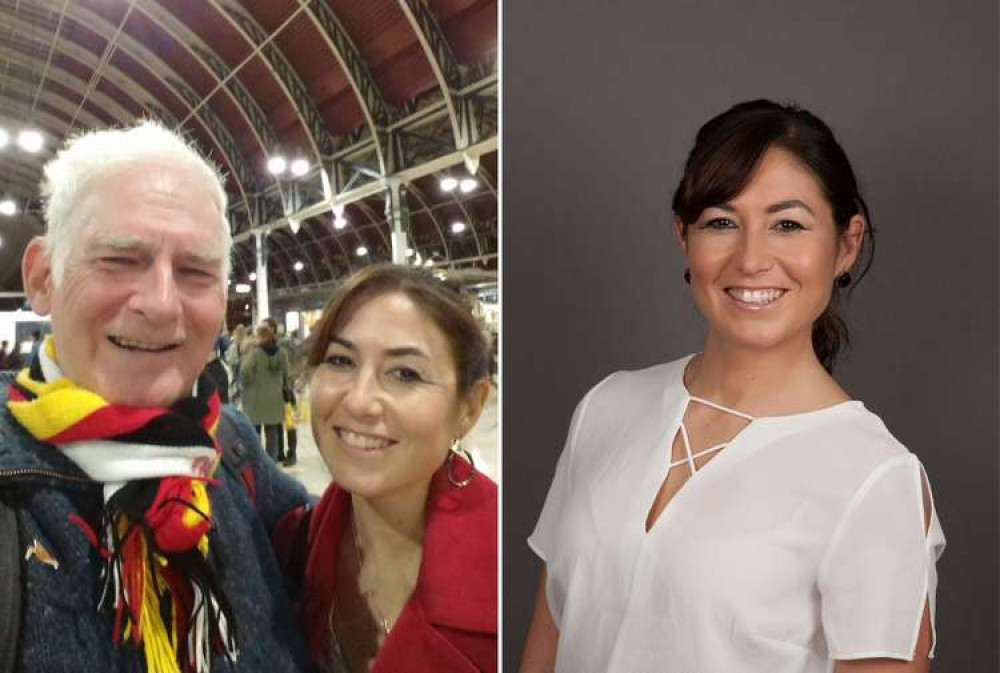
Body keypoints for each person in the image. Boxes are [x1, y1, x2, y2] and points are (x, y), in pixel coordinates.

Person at [520, 100, 946, 673]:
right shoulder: (608, 406)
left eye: (788, 225)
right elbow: (551, 634)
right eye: (722, 222)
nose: (751, 259)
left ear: (846, 245)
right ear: (683, 237)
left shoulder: (875, 479)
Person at [4, 120, 312, 671]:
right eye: (120, 260)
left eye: (195, 271)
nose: (163, 304)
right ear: (43, 277)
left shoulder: (231, 444)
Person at [273, 265, 497, 672]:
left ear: (470, 408)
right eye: (341, 361)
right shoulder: (291, 548)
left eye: (405, 373)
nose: (360, 401)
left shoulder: (513, 576)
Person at [240, 322, 289, 462]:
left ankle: (257, 462)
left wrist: (245, 383)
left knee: (255, 433)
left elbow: (244, 373)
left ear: (261, 337)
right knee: (272, 433)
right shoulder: (282, 353)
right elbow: (287, 374)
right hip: (275, 400)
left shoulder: (254, 354)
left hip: (255, 401)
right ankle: (271, 463)